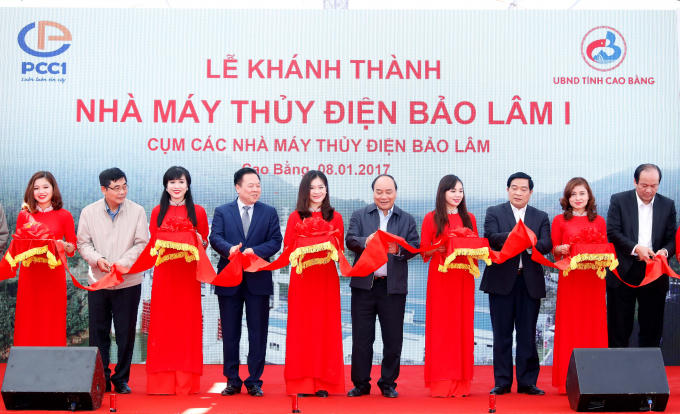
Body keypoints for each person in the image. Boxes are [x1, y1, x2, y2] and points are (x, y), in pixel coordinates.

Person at [210, 167, 282, 397]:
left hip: (258, 279)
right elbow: (215, 237)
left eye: (258, 185)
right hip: (229, 279)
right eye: (251, 185)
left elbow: (276, 241)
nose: (255, 189)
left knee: (257, 333)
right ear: (238, 187)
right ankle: (232, 380)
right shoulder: (223, 211)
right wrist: (229, 249)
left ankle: (254, 381)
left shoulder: (269, 212)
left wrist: (255, 251)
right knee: (230, 332)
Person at [346, 174, 419, 398]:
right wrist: (365, 242)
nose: (384, 196)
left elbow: (415, 246)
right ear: (373, 193)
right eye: (379, 192)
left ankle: (388, 383)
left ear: (395, 192)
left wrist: (398, 250)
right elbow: (350, 240)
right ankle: (361, 384)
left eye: (388, 191)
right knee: (362, 339)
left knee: (393, 339)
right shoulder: (360, 215)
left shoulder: (406, 219)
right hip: (364, 286)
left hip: (393, 288)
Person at [77, 168, 149, 394]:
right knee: (98, 333)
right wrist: (97, 260)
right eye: (116, 188)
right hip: (98, 281)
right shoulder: (89, 212)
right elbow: (83, 243)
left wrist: (121, 264)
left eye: (124, 186)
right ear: (103, 189)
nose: (122, 192)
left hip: (128, 282)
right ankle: (101, 378)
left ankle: (121, 378)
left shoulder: (137, 211)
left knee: (125, 333)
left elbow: (142, 243)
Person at [480, 172, 551, 396]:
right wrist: (517, 236)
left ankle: (527, 382)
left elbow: (546, 243)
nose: (518, 192)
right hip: (501, 281)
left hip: (529, 282)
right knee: (501, 334)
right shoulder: (494, 212)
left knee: (527, 334)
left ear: (530, 192)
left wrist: (530, 243)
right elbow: (491, 237)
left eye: (523, 189)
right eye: (514, 188)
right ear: (508, 189)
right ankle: (502, 381)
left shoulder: (540, 216)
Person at [146, 166, 209, 395]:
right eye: (172, 182)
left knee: (186, 327)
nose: (176, 186)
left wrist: (200, 240)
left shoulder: (198, 212)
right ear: (165, 186)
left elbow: (205, 243)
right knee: (163, 326)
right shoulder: (157, 211)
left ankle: (185, 383)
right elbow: (153, 244)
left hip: (188, 277)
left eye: (181, 182)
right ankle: (161, 384)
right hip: (164, 276)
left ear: (188, 185)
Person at [282, 170, 345, 397]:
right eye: (312, 187)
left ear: (327, 190)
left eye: (321, 187)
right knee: (302, 329)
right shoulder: (295, 217)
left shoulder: (335, 217)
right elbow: (288, 248)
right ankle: (302, 383)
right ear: (304, 191)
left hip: (326, 279)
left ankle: (324, 382)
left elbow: (340, 249)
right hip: (302, 280)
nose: (317, 192)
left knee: (325, 329)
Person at [606, 164, 676, 348]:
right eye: (644, 185)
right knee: (619, 328)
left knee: (651, 328)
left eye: (654, 185)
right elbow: (612, 232)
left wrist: (664, 252)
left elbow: (672, 238)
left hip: (654, 271)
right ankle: (618, 364)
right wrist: (636, 248)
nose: (649, 190)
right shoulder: (619, 200)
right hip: (623, 270)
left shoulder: (667, 205)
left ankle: (648, 365)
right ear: (635, 182)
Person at [420, 175, 477, 397]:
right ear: (442, 192)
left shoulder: (469, 218)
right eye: (453, 190)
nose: (457, 195)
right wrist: (438, 248)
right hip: (441, 279)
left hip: (463, 278)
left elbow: (476, 247)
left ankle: (461, 383)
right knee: (441, 328)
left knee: (462, 327)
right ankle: (442, 383)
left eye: (460, 191)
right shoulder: (431, 218)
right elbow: (423, 250)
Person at [551, 177, 608, 394]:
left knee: (593, 325)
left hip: (593, 281)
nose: (577, 198)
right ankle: (568, 380)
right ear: (567, 198)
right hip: (571, 280)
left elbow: (604, 250)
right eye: (573, 194)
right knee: (570, 326)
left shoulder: (599, 221)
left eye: (581, 193)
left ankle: (595, 378)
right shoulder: (559, 221)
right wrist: (560, 249)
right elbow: (554, 251)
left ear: (589, 196)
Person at [13, 171, 76, 346]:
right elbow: (18, 246)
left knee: (52, 319)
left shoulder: (64, 215)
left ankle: (54, 360)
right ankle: (26, 360)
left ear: (53, 189)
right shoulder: (24, 215)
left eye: (45, 187)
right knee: (28, 320)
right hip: (29, 276)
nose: (41, 192)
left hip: (53, 276)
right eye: (36, 188)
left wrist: (63, 245)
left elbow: (72, 248)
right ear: (31, 191)